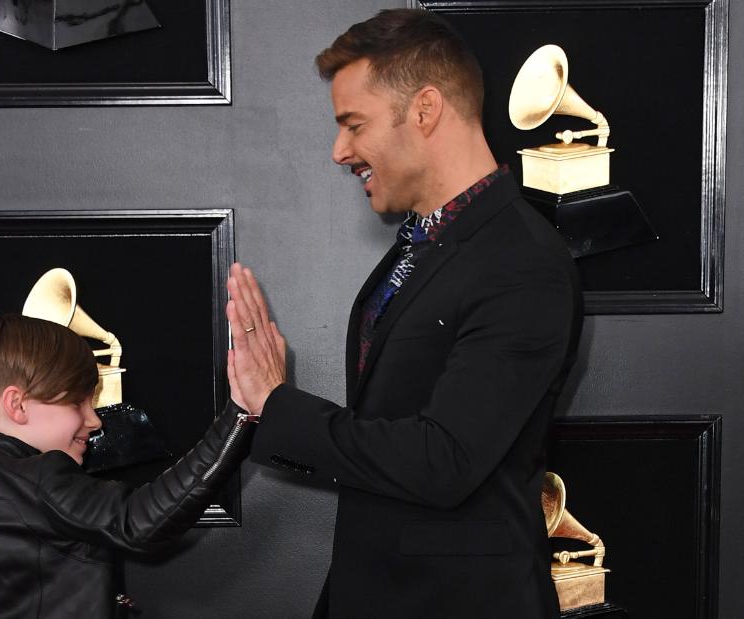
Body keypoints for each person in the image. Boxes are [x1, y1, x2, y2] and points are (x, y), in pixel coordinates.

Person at [225, 9, 583, 618]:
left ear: (424, 109)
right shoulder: (425, 242)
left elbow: (443, 460)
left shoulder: (522, 261)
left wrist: (277, 405)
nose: (339, 151)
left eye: (353, 124)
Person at [0, 313, 257, 618]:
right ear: (17, 405)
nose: (95, 420)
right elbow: (137, 522)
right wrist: (241, 413)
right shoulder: (39, 477)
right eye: (77, 402)